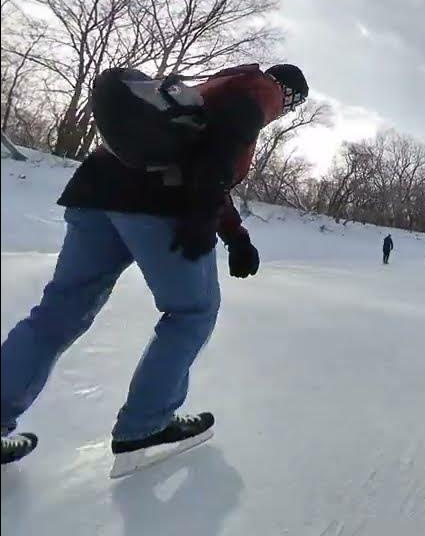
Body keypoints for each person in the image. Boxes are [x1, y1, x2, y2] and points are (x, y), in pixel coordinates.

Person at [0, 63, 309, 469]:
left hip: (96, 190)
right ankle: (146, 424)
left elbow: (200, 154)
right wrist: (201, 216)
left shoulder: (212, 88)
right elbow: (221, 151)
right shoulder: (262, 90)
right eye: (291, 105)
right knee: (193, 311)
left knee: (57, 314)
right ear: (288, 94)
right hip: (154, 202)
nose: (284, 112)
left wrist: (235, 235)